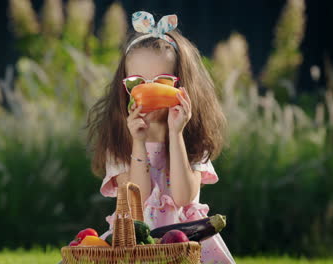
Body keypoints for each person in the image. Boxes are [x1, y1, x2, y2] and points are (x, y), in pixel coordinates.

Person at [86, 11, 236, 264]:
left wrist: (176, 133)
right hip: (135, 241)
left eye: (162, 81)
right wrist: (139, 141)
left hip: (187, 240)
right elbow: (139, 200)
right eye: (137, 82)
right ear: (125, 87)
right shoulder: (120, 140)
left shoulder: (193, 138)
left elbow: (183, 198)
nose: (149, 89)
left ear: (182, 84)